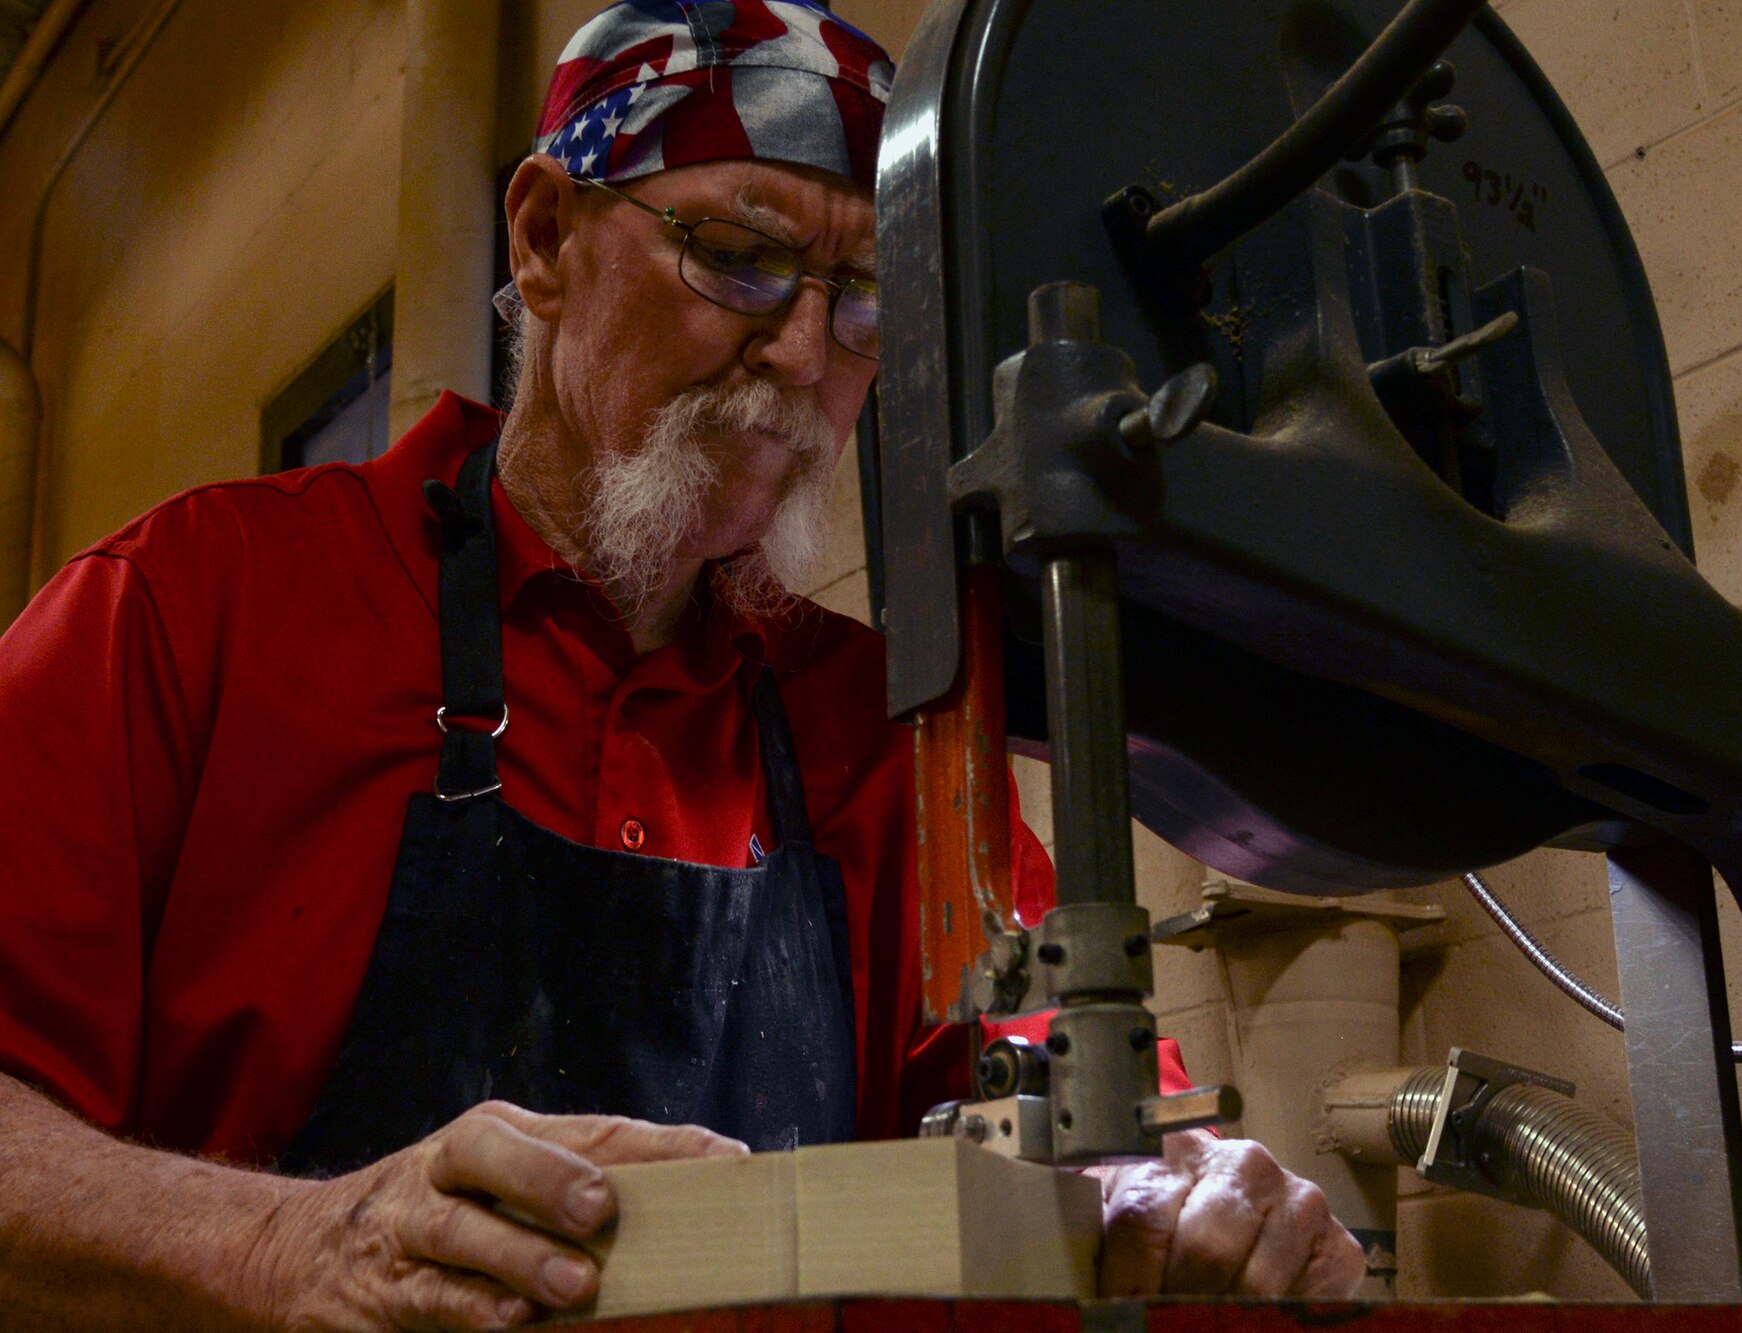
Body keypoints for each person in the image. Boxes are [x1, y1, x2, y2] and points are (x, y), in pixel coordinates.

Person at [0, 3, 1365, 1327]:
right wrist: (290, 1247)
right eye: (738, 257)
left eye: (859, 305)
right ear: (544, 237)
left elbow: (1058, 1100)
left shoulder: (881, 734)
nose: (795, 354)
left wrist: (1161, 1191)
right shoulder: (188, 612)